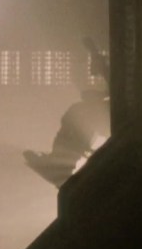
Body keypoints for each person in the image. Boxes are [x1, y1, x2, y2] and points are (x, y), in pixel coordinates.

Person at [24, 37, 111, 188]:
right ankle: (60, 158)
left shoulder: (117, 74)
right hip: (110, 110)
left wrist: (93, 51)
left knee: (78, 116)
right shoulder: (116, 73)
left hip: (114, 113)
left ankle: (62, 161)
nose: (92, 73)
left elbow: (114, 90)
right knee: (76, 114)